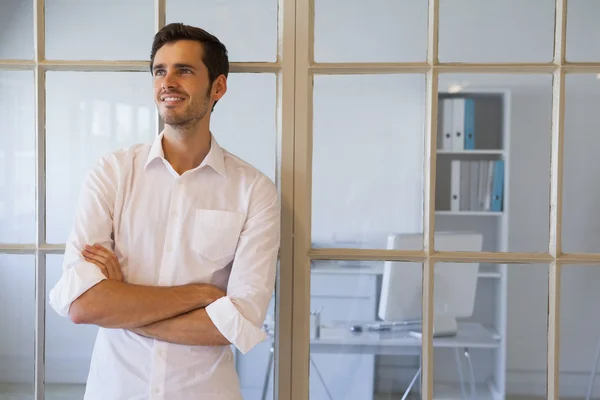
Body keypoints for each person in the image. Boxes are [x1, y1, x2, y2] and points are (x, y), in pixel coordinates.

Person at [48, 22, 281, 400]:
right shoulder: (112, 173)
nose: (167, 81)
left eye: (184, 70)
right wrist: (199, 295)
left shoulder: (255, 191)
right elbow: (83, 304)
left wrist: (122, 301)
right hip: (115, 390)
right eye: (160, 71)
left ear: (218, 87)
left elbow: (234, 324)